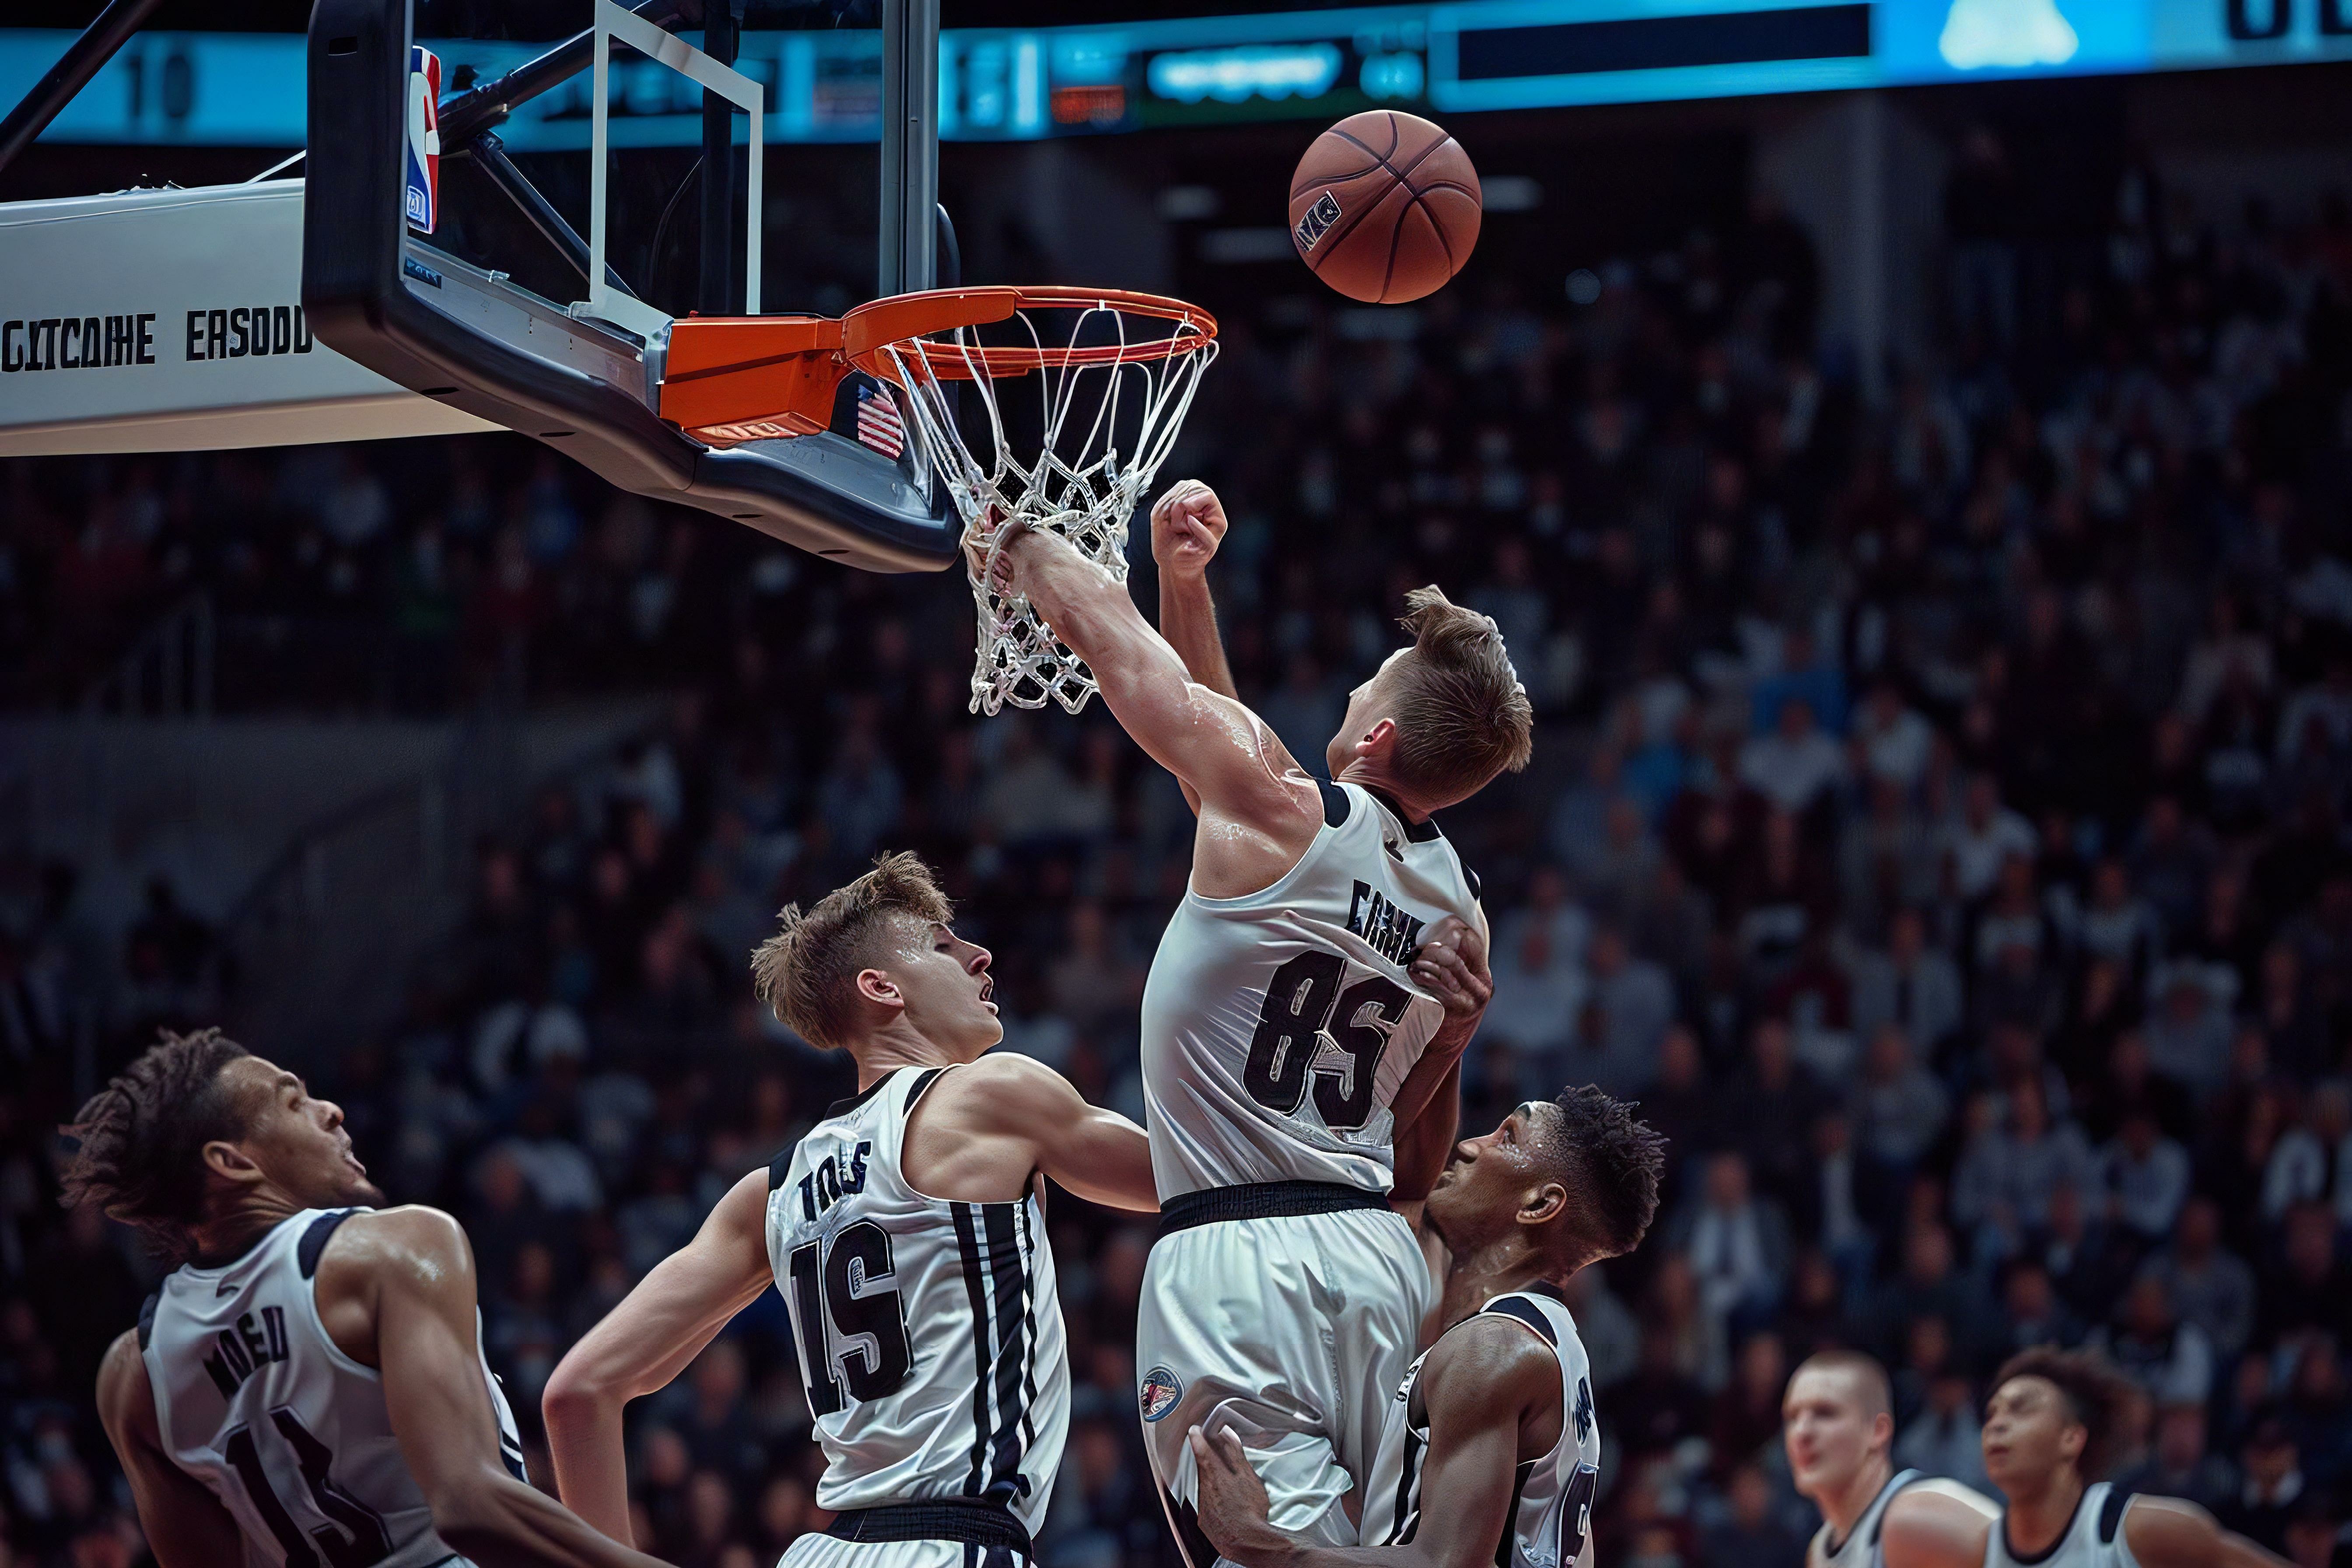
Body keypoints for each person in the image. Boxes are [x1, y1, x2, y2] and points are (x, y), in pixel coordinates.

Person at [992, 479, 1524, 1558]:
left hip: (1235, 1261)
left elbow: (1128, 663)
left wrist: (1019, 540)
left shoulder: (1279, 809)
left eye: (1361, 685)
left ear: (1373, 734)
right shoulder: (1461, 919)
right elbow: (1416, 1175)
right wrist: (1188, 587)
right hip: (1375, 1261)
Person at [542, 854, 1160, 1565]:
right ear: (881, 986)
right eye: (942, 944)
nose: (980, 955)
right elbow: (1198, 1179)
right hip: (953, 1544)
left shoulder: (766, 1195)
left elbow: (576, 1393)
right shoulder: (991, 1097)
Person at [67, 1027, 671, 1568]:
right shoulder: (391, 1251)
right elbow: (469, 1505)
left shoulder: (133, 1378)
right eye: (293, 1101)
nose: (330, 1110)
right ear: (232, 1163)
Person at [1183, 1086, 1666, 1568]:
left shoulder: (1493, 1347)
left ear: (1539, 1205)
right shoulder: (1553, 1341)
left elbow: (1447, 1563)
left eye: (1508, 1138)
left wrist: (1255, 1541)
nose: (1471, 1145)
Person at [1980, 1348, 2292, 1568]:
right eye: (1992, 1413)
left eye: (2021, 1409)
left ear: (2071, 1438)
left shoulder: (2140, 1531)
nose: (1997, 1424)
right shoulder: (1972, 1547)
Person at [1781, 1349, 1998, 1568]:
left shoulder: (1913, 1519)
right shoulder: (1820, 1550)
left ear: (1878, 1431)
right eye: (1792, 1417)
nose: (1802, 1432)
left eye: (1825, 1413)